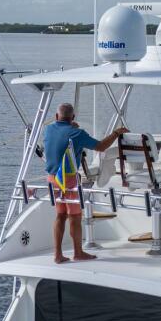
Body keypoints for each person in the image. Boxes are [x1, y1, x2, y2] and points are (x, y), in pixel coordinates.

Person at [43, 103, 126, 263]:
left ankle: (58, 255)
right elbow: (101, 146)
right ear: (73, 117)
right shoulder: (77, 133)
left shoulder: (48, 129)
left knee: (60, 215)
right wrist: (116, 133)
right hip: (68, 179)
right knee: (74, 217)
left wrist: (70, 127)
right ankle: (78, 253)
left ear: (56, 116)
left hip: (53, 178)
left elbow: (60, 135)